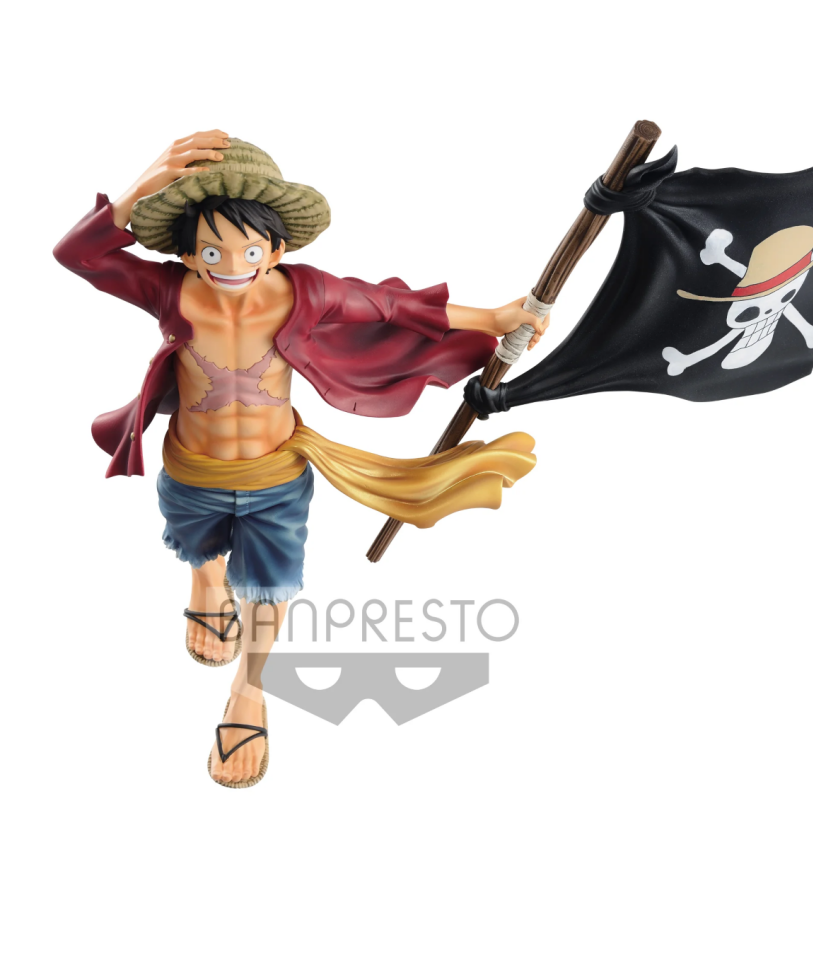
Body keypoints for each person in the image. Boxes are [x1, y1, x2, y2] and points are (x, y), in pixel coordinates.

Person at [54, 130, 548, 788]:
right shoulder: (168, 290)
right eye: (212, 251)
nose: (232, 265)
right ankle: (206, 583)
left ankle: (248, 689)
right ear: (186, 252)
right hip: (194, 467)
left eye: (250, 250)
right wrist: (139, 189)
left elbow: (393, 306)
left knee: (271, 585)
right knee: (195, 542)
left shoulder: (304, 292)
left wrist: (492, 317)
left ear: (278, 249)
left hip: (277, 473)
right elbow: (77, 255)